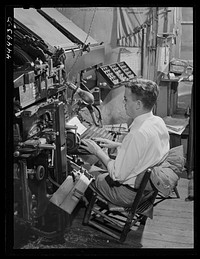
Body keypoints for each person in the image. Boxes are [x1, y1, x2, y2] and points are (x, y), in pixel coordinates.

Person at [81, 78, 170, 207]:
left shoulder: (137, 134)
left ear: (138, 104)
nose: (124, 103)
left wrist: (97, 151)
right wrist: (117, 145)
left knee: (83, 170)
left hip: (127, 195)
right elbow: (146, 150)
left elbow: (117, 175)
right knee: (100, 166)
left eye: (126, 99)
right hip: (147, 191)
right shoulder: (158, 122)